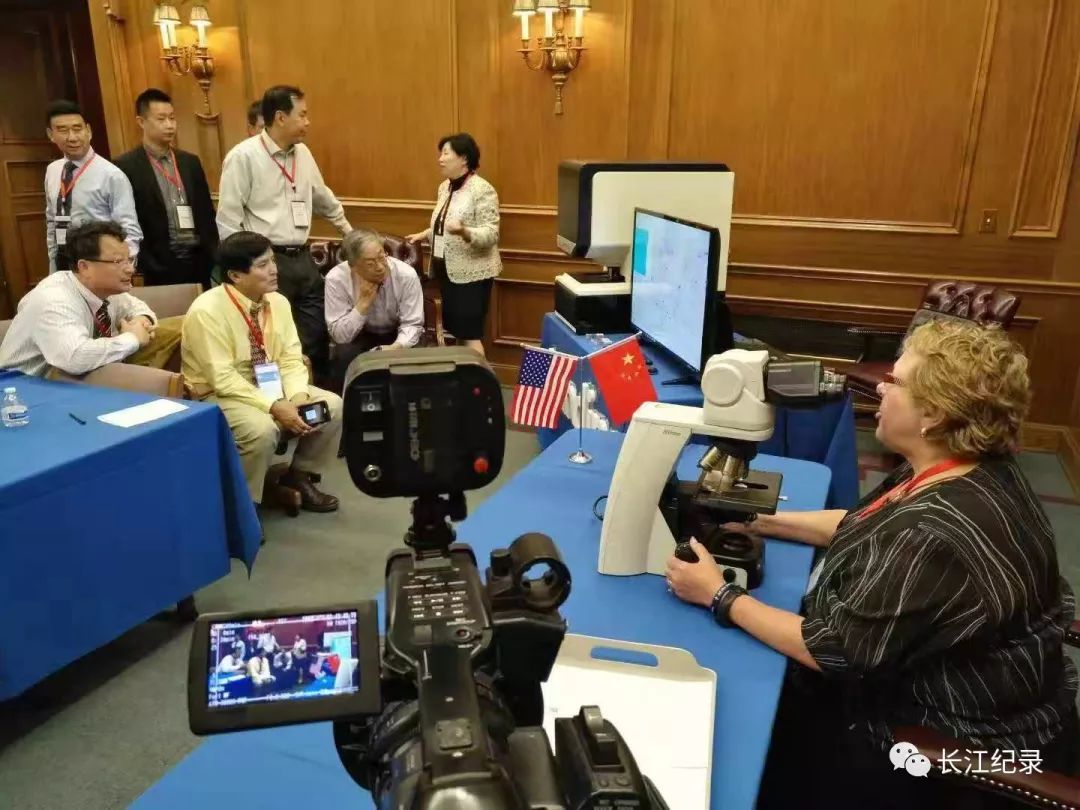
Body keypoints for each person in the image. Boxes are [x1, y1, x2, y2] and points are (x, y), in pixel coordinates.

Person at [664, 320, 1079, 810]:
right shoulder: (962, 468)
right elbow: (863, 523)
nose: (880, 387)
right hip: (979, 695)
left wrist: (719, 595)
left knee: (740, 733)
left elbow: (833, 652)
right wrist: (757, 520)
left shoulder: (931, 533)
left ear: (934, 413)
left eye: (896, 381)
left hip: (942, 744)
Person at [181, 231, 342, 511]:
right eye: (263, 265)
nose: (274, 270)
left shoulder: (278, 302)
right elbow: (223, 378)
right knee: (261, 428)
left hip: (269, 384)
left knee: (332, 406)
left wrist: (298, 398)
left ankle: (298, 476)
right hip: (219, 394)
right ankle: (244, 506)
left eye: (273, 260)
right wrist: (274, 406)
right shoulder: (207, 311)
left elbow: (290, 358)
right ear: (235, 275)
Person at [216, 85, 353, 372]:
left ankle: (313, 392)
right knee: (273, 339)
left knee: (315, 337)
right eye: (302, 115)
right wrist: (243, 269)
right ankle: (280, 395)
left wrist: (348, 233)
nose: (307, 122)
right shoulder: (243, 157)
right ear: (280, 117)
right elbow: (228, 220)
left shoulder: (303, 153)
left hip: (303, 257)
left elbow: (321, 197)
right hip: (266, 260)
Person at [0, 221, 181, 376]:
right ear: (84, 267)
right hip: (21, 389)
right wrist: (132, 338)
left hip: (74, 381)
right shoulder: (53, 300)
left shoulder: (105, 289)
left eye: (130, 260)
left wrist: (141, 321)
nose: (130, 269)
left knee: (180, 327)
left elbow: (136, 307)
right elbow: (75, 358)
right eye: (118, 262)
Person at [405, 133, 501, 357]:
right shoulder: (445, 187)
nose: (440, 159)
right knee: (459, 333)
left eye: (446, 153)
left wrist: (465, 232)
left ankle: (480, 377)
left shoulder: (482, 189)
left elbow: (491, 234)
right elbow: (444, 224)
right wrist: (424, 234)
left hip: (471, 276)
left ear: (464, 159)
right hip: (448, 272)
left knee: (470, 336)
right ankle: (464, 377)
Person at [115, 89, 217, 288]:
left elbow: (206, 213)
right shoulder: (126, 166)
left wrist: (212, 253)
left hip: (198, 260)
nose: (169, 125)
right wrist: (146, 262)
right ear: (141, 122)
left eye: (172, 118)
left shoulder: (190, 162)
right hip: (158, 265)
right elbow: (127, 218)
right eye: (161, 119)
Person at [44, 99, 141, 273]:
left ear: (88, 131)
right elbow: (52, 221)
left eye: (77, 129)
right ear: (51, 134)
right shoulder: (53, 170)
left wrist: (124, 269)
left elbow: (129, 229)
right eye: (63, 130)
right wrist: (53, 265)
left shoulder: (111, 175)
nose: (72, 137)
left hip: (98, 264)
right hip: (63, 263)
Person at [324, 228, 424, 392]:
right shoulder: (336, 279)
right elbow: (340, 335)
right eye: (370, 263)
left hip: (397, 333)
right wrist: (363, 304)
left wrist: (396, 347)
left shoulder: (406, 275)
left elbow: (412, 324)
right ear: (353, 267)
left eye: (382, 256)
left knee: (417, 356)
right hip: (360, 335)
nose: (380, 267)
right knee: (343, 356)